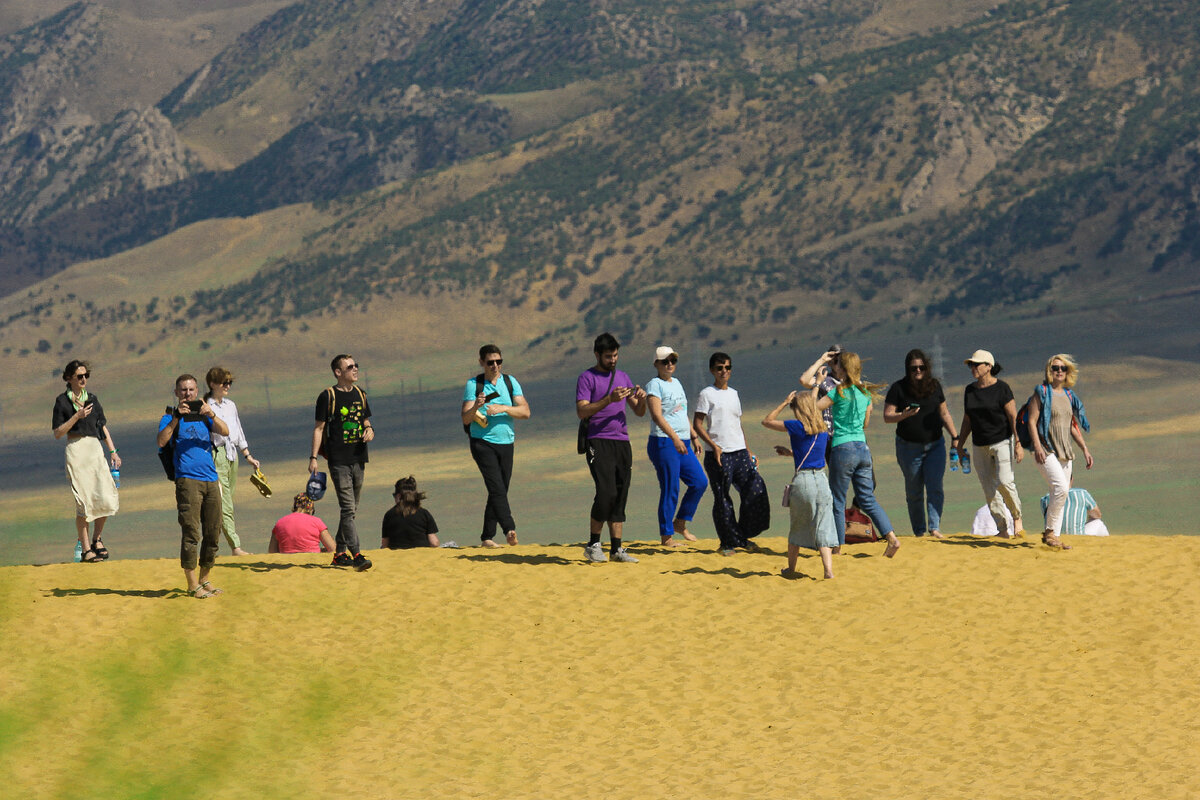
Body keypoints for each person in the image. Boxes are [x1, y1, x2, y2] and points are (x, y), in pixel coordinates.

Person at [815, 351, 901, 558]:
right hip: (863, 449)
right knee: (867, 498)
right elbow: (865, 424)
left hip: (842, 448)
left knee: (838, 500)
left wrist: (818, 385)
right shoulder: (865, 394)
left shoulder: (838, 392)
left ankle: (836, 547)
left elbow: (813, 408)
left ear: (842, 369)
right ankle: (892, 538)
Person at [576, 332, 647, 563]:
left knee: (620, 493)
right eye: (608, 356)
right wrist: (609, 399)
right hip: (598, 439)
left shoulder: (623, 377)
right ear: (597, 354)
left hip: (622, 441)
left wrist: (642, 398)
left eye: (615, 356)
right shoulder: (587, 378)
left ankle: (617, 549)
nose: (613, 360)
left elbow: (638, 411)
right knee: (606, 492)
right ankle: (593, 544)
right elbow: (582, 411)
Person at [158, 374, 230, 598]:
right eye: (183, 390)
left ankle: (204, 579)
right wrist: (176, 419)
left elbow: (225, 431)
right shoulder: (170, 416)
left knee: (213, 530)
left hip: (211, 478)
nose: (187, 394)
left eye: (191, 390)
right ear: (177, 393)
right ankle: (191, 584)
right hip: (187, 479)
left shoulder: (204, 416)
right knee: (191, 531)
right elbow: (161, 441)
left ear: (197, 391)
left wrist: (211, 414)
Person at [693, 351, 769, 554]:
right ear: (712, 370)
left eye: (727, 367)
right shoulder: (706, 394)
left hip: (740, 452)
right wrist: (713, 445)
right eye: (719, 368)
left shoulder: (734, 394)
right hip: (718, 454)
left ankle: (741, 535)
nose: (724, 371)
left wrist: (749, 450)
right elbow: (698, 424)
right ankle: (727, 543)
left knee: (755, 490)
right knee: (722, 498)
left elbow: (737, 424)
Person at [882, 349, 959, 538]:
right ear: (908, 369)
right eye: (913, 368)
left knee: (935, 486)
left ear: (927, 368)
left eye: (921, 367)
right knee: (914, 490)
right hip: (908, 447)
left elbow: (944, 413)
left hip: (935, 445)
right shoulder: (898, 388)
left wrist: (956, 437)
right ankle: (919, 531)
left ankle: (934, 527)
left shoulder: (934, 386)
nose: (918, 371)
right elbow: (887, 416)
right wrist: (903, 415)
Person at [460, 344, 530, 548]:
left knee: (500, 488)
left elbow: (525, 412)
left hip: (506, 441)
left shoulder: (510, 382)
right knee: (496, 486)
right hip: (482, 442)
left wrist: (504, 408)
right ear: (481, 362)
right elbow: (466, 419)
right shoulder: (474, 385)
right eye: (490, 362)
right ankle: (509, 529)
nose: (495, 366)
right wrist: (476, 406)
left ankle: (487, 537)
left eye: (498, 361)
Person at [51, 360, 120, 562]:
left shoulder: (92, 399)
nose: (83, 379)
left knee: (105, 495)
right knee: (83, 501)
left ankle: (97, 539)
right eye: (79, 376)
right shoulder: (62, 401)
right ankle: (85, 548)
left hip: (94, 449)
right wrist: (76, 417)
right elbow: (57, 432)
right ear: (69, 378)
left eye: (85, 376)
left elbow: (102, 426)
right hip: (76, 450)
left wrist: (113, 451)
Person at [309, 354, 373, 572]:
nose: (355, 369)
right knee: (347, 507)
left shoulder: (361, 394)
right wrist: (313, 458)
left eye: (356, 365)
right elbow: (318, 428)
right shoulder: (328, 396)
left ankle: (338, 555)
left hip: (359, 457)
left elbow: (365, 419)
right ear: (338, 372)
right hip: (338, 460)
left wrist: (369, 429)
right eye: (350, 367)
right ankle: (356, 554)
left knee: (351, 509)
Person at [763, 391, 836, 579]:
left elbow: (767, 421)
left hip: (803, 482)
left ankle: (791, 569)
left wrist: (784, 402)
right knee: (823, 526)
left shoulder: (796, 426)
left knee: (797, 527)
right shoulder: (822, 428)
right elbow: (812, 454)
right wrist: (790, 453)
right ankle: (828, 571)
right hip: (821, 480)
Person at [956, 349, 1025, 540]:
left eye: (976, 364)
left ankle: (1016, 518)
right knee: (988, 488)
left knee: (1005, 481)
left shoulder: (1002, 388)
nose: (972, 368)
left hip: (1002, 441)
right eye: (971, 365)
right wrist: (959, 444)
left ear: (988, 367)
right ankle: (1002, 528)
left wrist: (1018, 443)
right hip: (979, 445)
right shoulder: (970, 390)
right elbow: (968, 419)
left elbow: (1013, 417)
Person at [644, 345, 708, 547]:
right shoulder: (654, 385)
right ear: (656, 364)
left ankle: (680, 522)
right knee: (670, 487)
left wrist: (694, 436)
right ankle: (667, 536)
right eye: (665, 361)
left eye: (672, 360)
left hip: (684, 441)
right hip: (664, 442)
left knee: (699, 482)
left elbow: (681, 412)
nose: (669, 364)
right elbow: (657, 415)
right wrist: (675, 438)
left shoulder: (677, 383)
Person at [1028, 354, 1093, 550]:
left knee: (1061, 494)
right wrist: (1037, 446)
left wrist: (1085, 449)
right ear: (1049, 370)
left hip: (1065, 450)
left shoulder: (1069, 396)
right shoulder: (1042, 393)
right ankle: (1049, 533)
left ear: (1067, 372)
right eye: (1055, 367)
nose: (1059, 371)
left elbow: (1072, 426)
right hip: (1045, 449)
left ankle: (1053, 536)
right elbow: (1031, 421)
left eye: (1063, 368)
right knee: (1061, 489)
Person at [204, 366, 260, 556]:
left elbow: (238, 430)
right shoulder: (207, 406)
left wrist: (247, 455)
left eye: (229, 382)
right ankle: (235, 547)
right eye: (223, 382)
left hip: (232, 455)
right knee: (224, 501)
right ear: (213, 384)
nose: (227, 385)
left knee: (225, 501)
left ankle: (212, 545)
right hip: (216, 454)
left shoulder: (230, 405)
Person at [381, 476, 441, 549]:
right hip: (422, 552)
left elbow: (385, 544)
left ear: (399, 496)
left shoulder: (389, 515)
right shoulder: (424, 513)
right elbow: (434, 543)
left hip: (397, 553)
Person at [269, 493, 336, 554]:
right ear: (310, 508)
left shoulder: (279, 523)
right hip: (311, 559)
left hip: (285, 560)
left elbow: (272, 551)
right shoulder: (316, 521)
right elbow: (332, 548)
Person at [1039, 487, 1108, 536]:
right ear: (1071, 479)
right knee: (1098, 522)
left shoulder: (1045, 499)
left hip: (1054, 537)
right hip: (1078, 538)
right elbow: (1097, 514)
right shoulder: (1082, 493)